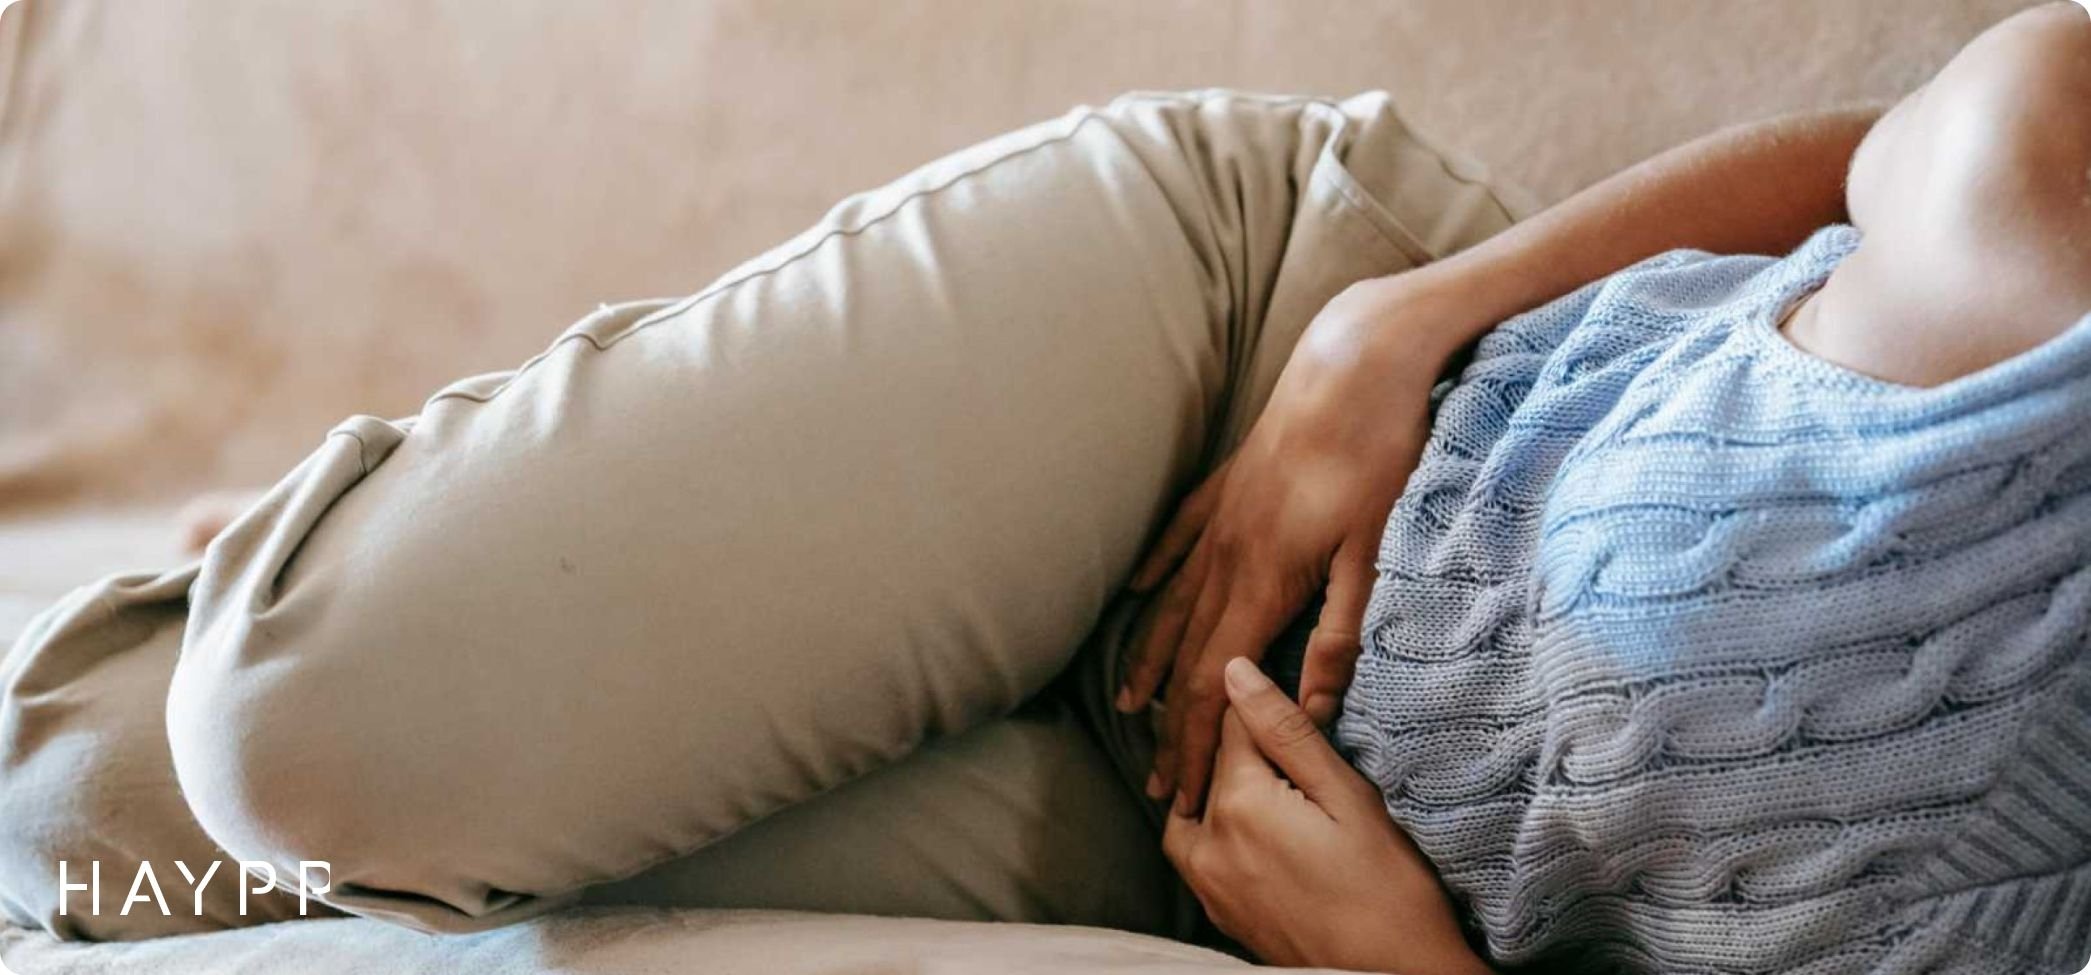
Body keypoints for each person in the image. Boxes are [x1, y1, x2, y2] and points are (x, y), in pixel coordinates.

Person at [2, 3, 2086, 973]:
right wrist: (1410, 314)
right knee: (286, 727)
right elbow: (1879, 146)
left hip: (1216, 859)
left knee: (77, 830)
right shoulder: (2049, 183)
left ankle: (448, 542)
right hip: (1257, 363)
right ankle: (404, 526)